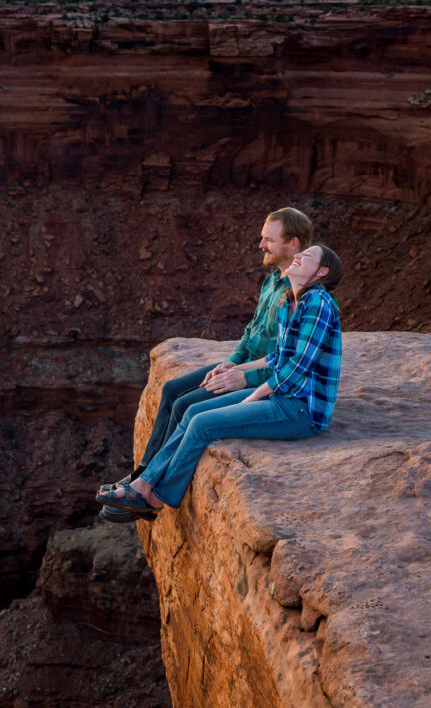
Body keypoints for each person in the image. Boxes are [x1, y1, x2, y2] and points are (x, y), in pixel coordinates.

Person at [99, 207, 313, 523]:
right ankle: (141, 474)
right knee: (173, 389)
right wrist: (229, 363)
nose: (260, 245)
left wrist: (242, 376)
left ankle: (147, 492)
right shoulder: (271, 282)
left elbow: (289, 360)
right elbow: (251, 333)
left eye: (268, 239)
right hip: (244, 365)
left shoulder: (297, 294)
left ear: (293, 244)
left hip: (263, 378)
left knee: (188, 405)